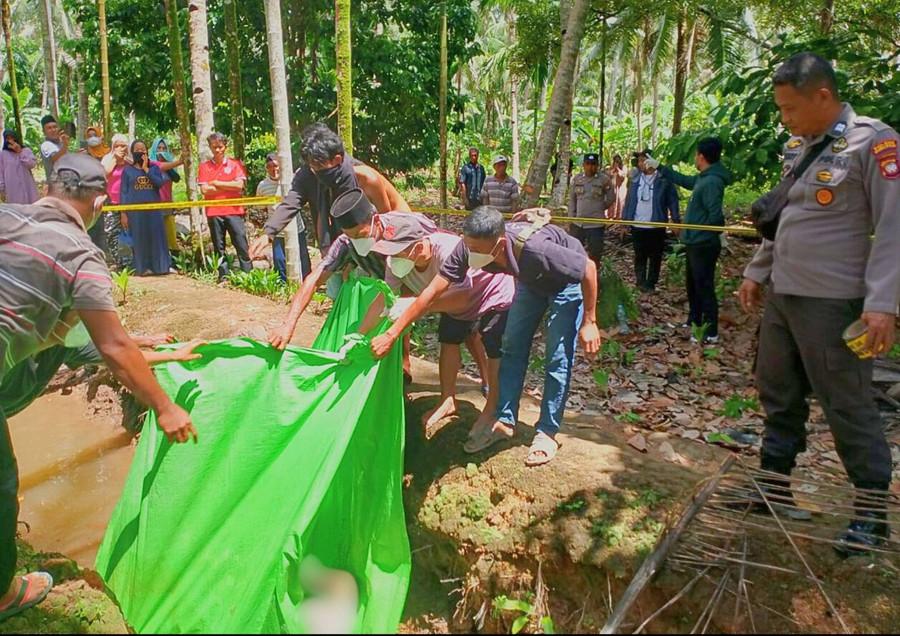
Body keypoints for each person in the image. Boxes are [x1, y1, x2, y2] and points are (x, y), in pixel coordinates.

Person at [0, 153, 196, 620]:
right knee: (3, 483)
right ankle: (5, 594)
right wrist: (166, 408)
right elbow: (111, 348)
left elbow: (107, 344)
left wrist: (160, 349)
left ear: (48, 186)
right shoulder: (80, 254)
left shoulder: (6, 217)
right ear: (100, 203)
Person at [737, 53, 900, 556]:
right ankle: (772, 484)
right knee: (778, 391)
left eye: (790, 108)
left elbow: (894, 225)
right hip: (785, 296)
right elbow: (783, 217)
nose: (785, 118)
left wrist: (884, 304)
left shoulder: (874, 142)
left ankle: (871, 517)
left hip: (834, 301)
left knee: (847, 403)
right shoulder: (798, 147)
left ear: (823, 97)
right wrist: (756, 271)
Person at [374, 206, 601, 467]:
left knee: (557, 357)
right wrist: (392, 334)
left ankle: (546, 432)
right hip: (530, 282)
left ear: (499, 244)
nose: (471, 256)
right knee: (512, 346)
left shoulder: (536, 249)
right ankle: (503, 421)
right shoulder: (466, 249)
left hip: (566, 284)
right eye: (468, 247)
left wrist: (590, 321)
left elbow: (588, 269)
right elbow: (432, 292)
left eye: (478, 250)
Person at [360, 215, 515, 432]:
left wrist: (417, 305)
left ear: (419, 246)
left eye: (398, 251)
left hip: (489, 292)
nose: (393, 257)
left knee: (492, 344)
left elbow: (463, 296)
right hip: (450, 298)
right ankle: (447, 400)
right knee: (449, 338)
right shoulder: (395, 263)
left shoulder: (447, 250)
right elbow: (382, 300)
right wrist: (358, 335)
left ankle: (494, 406)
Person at [269, 188, 436, 386]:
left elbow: (435, 251)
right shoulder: (347, 244)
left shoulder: (403, 228)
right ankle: (390, 379)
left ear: (375, 219)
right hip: (385, 288)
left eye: (360, 234)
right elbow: (314, 279)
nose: (357, 240)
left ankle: (403, 367)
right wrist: (288, 325)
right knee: (379, 332)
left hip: (425, 281)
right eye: (352, 236)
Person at [249, 123, 410, 281]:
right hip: (351, 240)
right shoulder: (309, 174)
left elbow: (385, 220)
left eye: (317, 164)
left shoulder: (360, 176)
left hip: (392, 235)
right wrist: (268, 232)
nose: (314, 169)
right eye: (310, 164)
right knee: (337, 289)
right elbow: (292, 202)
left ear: (335, 158)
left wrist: (356, 261)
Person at [646, 138, 730, 343]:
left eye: (696, 155)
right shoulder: (703, 178)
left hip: (704, 243)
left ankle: (710, 330)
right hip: (694, 242)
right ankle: (694, 319)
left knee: (704, 285)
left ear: (701, 156)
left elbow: (715, 216)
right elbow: (684, 180)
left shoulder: (712, 182)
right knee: (692, 284)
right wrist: (661, 167)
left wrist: (714, 233)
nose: (695, 158)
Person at [623, 150, 680, 293]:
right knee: (640, 255)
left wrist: (676, 221)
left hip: (656, 225)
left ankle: (651, 284)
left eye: (644, 160)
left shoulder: (664, 180)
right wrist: (624, 223)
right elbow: (629, 202)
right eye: (640, 161)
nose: (641, 164)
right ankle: (640, 282)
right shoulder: (635, 180)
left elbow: (673, 201)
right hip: (638, 224)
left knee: (655, 257)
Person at [197, 132, 251, 281]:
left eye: (220, 147)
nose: (218, 150)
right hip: (214, 212)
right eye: (215, 147)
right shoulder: (204, 167)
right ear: (210, 147)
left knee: (241, 242)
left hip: (234, 210)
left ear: (225, 146)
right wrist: (229, 186)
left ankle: (248, 275)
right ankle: (223, 276)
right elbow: (205, 190)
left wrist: (217, 183)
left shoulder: (235, 164)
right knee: (218, 246)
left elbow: (239, 185)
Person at [255, 153, 312, 283]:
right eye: (269, 167)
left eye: (275, 166)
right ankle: (284, 287)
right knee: (280, 261)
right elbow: (260, 206)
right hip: (277, 232)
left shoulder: (292, 180)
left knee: (303, 259)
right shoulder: (263, 185)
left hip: (296, 228)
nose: (273, 169)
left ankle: (308, 284)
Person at [120, 140, 172, 276]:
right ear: (132, 152)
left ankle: (160, 267)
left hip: (154, 212)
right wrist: (123, 213)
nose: (140, 152)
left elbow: (159, 183)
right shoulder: (127, 171)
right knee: (139, 238)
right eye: (137, 149)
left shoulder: (154, 169)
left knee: (156, 238)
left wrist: (146, 169)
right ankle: (141, 268)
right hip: (135, 212)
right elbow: (123, 192)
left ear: (147, 152)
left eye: (143, 149)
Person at [569, 153, 615, 267]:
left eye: (593, 164)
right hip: (578, 222)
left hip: (595, 224)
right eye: (588, 164)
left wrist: (599, 208)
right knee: (574, 250)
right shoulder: (577, 179)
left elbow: (611, 198)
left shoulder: (604, 180)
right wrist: (571, 217)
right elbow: (572, 200)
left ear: (597, 165)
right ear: (584, 165)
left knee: (595, 252)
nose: (590, 167)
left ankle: (593, 277)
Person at [101, 133, 133, 268]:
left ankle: (130, 262)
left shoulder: (130, 161)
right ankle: (119, 262)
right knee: (111, 233)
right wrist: (114, 159)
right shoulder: (107, 159)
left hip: (129, 201)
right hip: (111, 202)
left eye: (123, 145)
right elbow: (103, 174)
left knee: (128, 232)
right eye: (117, 145)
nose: (120, 148)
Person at [148, 137, 185, 253]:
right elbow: (158, 167)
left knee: (170, 233)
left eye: (164, 148)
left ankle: (174, 258)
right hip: (153, 204)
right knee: (155, 233)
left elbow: (176, 178)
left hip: (167, 203)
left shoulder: (170, 165)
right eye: (159, 148)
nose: (161, 150)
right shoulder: (149, 163)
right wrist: (177, 162)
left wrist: (169, 163)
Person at [0, 130, 39, 204]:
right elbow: (0, 173)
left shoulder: (26, 151)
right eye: (7, 139)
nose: (10, 141)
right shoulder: (2, 155)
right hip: (12, 189)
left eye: (12, 138)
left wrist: (20, 152)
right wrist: (1, 189)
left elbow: (32, 164)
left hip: (28, 187)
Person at [39, 115, 68, 182]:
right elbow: (55, 158)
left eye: (55, 127)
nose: (53, 130)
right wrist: (65, 145)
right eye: (49, 128)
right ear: (44, 132)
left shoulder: (61, 144)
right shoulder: (46, 145)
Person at [609, 154, 628, 220]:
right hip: (613, 188)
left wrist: (618, 169)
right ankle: (611, 216)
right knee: (612, 201)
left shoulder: (624, 167)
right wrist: (613, 169)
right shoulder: (611, 168)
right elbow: (609, 175)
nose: (616, 162)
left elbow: (623, 176)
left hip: (621, 189)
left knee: (620, 201)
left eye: (617, 161)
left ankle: (619, 217)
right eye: (615, 161)